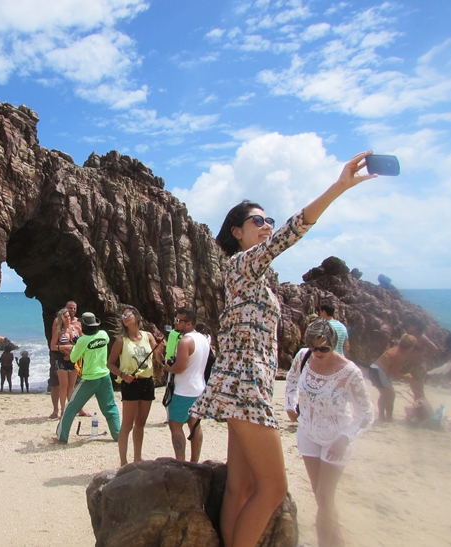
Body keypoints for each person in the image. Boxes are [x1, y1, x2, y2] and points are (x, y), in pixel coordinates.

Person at [189, 151, 377, 547]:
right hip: (246, 388)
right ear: (237, 231)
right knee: (273, 489)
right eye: (258, 220)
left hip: (241, 385)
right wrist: (339, 187)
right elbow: (297, 229)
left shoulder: (251, 274)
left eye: (269, 220)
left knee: (240, 489)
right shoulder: (242, 264)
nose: (267, 226)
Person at [284, 319, 374, 547]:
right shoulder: (304, 357)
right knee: (320, 496)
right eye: (314, 347)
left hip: (337, 438)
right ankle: (338, 542)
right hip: (307, 432)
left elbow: (365, 413)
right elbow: (292, 379)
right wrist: (289, 405)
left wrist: (346, 437)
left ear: (334, 344)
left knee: (325, 497)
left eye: (324, 348)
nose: (318, 352)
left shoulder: (349, 372)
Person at [106, 305, 161, 466]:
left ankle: (137, 457)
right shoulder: (121, 340)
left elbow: (158, 358)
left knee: (141, 423)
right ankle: (123, 462)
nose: (125, 317)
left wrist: (160, 351)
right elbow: (110, 364)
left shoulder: (148, 336)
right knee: (127, 425)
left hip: (147, 383)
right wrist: (123, 375)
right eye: (123, 316)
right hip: (130, 384)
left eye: (128, 314)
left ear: (137, 317)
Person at [55, 313, 121, 443]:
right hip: (105, 376)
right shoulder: (103, 335)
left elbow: (74, 358)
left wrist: (77, 344)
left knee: (71, 408)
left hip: (90, 378)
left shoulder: (82, 341)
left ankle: (61, 437)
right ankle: (118, 436)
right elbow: (99, 342)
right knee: (110, 408)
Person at [163, 307, 210, 462]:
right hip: (199, 388)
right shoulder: (203, 339)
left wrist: (168, 366)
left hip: (183, 391)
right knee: (195, 425)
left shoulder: (185, 341)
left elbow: (180, 367)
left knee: (175, 425)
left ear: (189, 324)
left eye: (178, 321)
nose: (175, 323)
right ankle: (195, 462)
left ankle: (180, 462)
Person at [368, 334, 417, 422]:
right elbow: (393, 373)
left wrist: (401, 377)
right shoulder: (400, 356)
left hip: (374, 369)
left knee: (385, 395)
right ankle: (389, 417)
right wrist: (405, 377)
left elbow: (390, 372)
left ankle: (382, 416)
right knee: (391, 395)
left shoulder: (395, 349)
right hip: (379, 371)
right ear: (410, 348)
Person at [51, 308, 81, 417]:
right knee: (64, 386)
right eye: (65, 317)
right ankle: (63, 410)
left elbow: (81, 343)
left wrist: (72, 353)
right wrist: (65, 347)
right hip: (62, 360)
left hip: (73, 360)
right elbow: (53, 346)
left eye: (68, 316)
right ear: (61, 319)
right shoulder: (59, 331)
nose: (68, 318)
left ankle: (70, 409)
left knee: (71, 386)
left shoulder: (76, 328)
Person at [403, 317, 439, 400]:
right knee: (414, 389)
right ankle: (418, 408)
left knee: (418, 389)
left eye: (409, 325)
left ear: (415, 327)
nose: (407, 327)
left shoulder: (421, 337)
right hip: (411, 365)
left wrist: (424, 357)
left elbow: (434, 349)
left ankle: (422, 409)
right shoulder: (410, 336)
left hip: (418, 365)